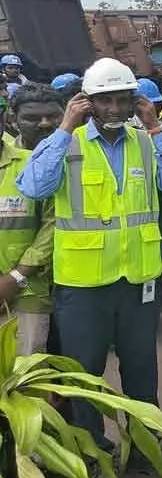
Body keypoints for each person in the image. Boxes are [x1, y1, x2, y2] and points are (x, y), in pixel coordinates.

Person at [17, 57, 162, 478]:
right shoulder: (66, 142)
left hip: (137, 280)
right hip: (82, 285)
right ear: (88, 102)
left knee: (141, 370)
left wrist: (156, 128)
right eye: (104, 100)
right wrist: (63, 128)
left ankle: (143, 448)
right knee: (84, 377)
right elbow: (34, 187)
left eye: (122, 100)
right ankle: (93, 458)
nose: (114, 108)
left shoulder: (145, 141)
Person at [0, 83, 62, 355]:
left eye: (51, 117)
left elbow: (54, 222)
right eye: (33, 118)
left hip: (34, 287)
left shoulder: (29, 165)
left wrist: (16, 277)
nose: (45, 125)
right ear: (12, 118)